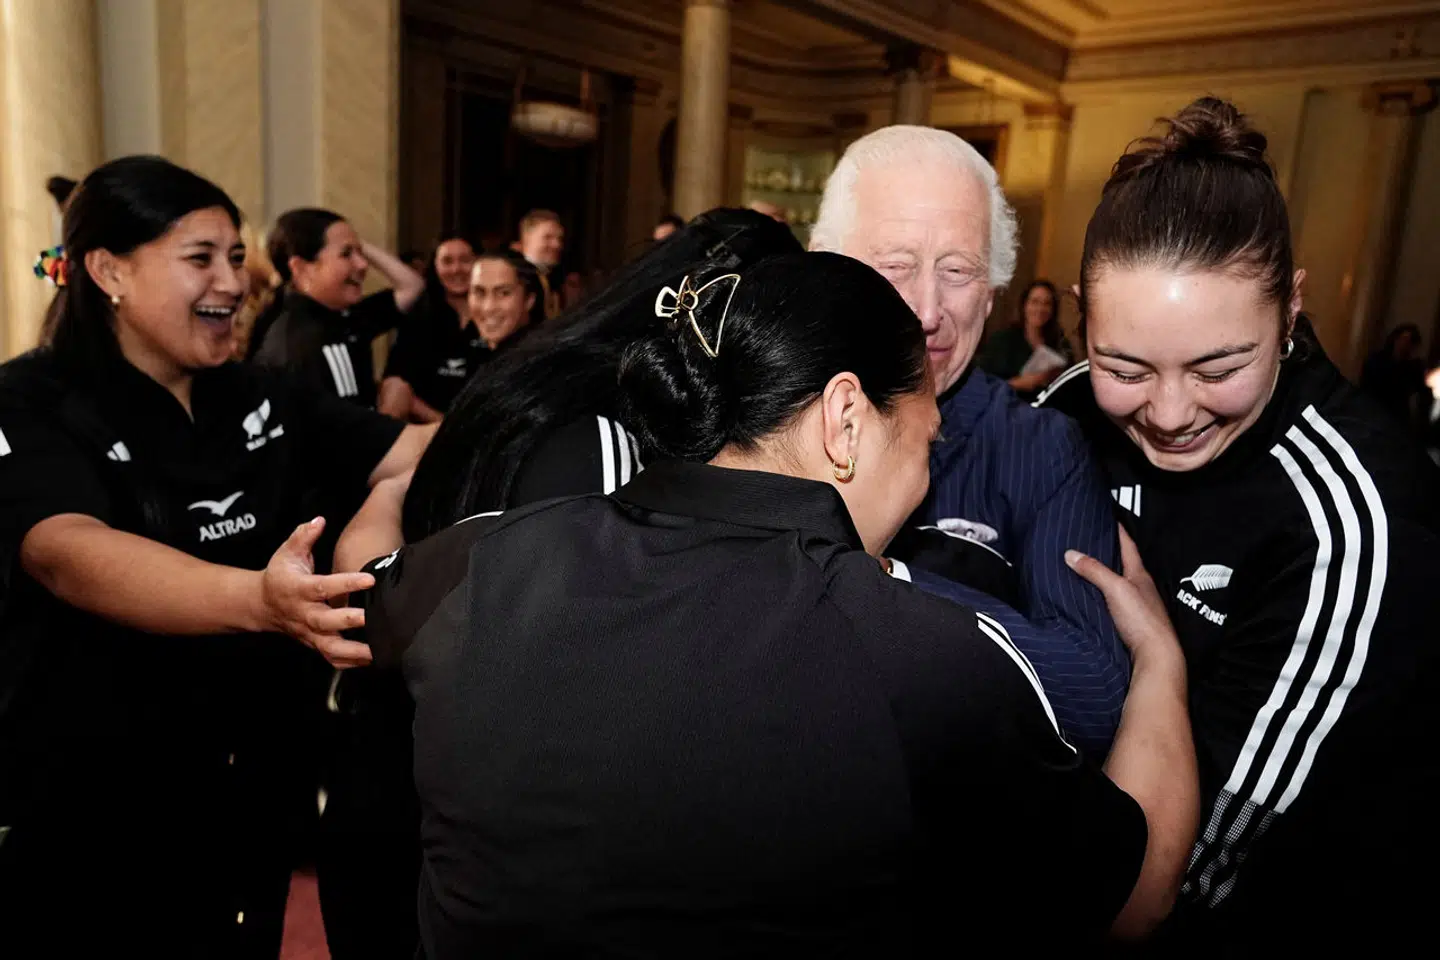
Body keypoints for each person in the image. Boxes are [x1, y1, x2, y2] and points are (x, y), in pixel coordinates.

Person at [342, 250, 1198, 956]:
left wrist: (381, 500)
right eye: (925, 443)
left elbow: (353, 596)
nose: (924, 481)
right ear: (846, 419)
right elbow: (1138, 894)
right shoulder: (925, 660)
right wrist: (1160, 665)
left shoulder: (477, 558)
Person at [310, 209, 801, 960]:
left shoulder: (537, 378)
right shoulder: (607, 438)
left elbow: (391, 574)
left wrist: (388, 503)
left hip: (401, 786)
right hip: (450, 829)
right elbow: (569, 684)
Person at [0, 156, 435, 957]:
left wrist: (549, 395)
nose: (233, 283)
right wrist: (260, 601)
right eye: (200, 257)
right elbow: (69, 552)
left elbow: (412, 450)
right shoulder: (31, 400)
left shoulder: (258, 392)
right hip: (100, 808)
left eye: (236, 257)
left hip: (254, 795)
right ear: (108, 271)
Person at [1038, 97, 1440, 951]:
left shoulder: (1351, 518)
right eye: (1125, 367)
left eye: (1219, 368)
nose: (1170, 413)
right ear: (1082, 316)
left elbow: (1204, 866)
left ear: (1290, 308)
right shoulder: (1066, 408)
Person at [811, 125, 1128, 757]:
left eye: (957, 271)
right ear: (825, 267)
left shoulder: (1039, 448)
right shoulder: (766, 418)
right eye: (895, 266)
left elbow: (1091, 696)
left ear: (991, 295)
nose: (927, 311)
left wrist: (881, 578)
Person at [249, 207, 425, 407]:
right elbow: (341, 427)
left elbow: (412, 286)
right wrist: (391, 412)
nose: (363, 264)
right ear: (301, 268)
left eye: (360, 253)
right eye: (346, 254)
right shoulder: (303, 343)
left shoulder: (343, 317)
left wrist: (350, 239)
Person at [379, 234, 478, 422]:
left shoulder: (494, 314)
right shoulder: (419, 316)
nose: (456, 269)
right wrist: (443, 425)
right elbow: (398, 382)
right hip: (428, 426)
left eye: (465, 260)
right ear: (435, 266)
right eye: (447, 261)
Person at [975, 279, 1073, 398]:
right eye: (1035, 302)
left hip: (1048, 407)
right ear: (1024, 306)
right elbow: (983, 385)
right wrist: (1018, 383)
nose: (1040, 309)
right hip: (1008, 405)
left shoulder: (1061, 343)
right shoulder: (1002, 340)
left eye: (1047, 303)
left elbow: (1070, 384)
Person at [1359, 322, 1427, 431]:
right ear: (1395, 338)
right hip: (1375, 411)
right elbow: (1366, 386)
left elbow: (1419, 392)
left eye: (1409, 342)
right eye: (1403, 339)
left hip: (1397, 417)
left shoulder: (1413, 367)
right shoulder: (1377, 360)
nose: (1404, 344)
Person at [518, 208, 565, 319]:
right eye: (548, 237)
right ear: (527, 238)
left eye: (559, 239)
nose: (557, 245)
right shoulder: (514, 276)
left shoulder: (554, 279)